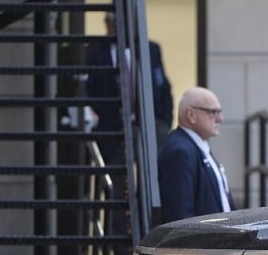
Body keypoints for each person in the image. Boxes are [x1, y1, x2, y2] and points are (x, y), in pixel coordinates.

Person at [85, 11, 173, 152]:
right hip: (109, 125)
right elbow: (88, 86)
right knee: (113, 168)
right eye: (107, 22)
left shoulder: (151, 50)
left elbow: (163, 86)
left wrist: (165, 122)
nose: (110, 27)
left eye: (114, 23)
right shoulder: (94, 51)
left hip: (147, 123)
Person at [158, 87, 234, 223]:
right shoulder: (180, 151)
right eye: (212, 112)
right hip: (201, 242)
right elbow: (180, 218)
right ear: (191, 115)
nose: (220, 119)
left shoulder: (196, 146)